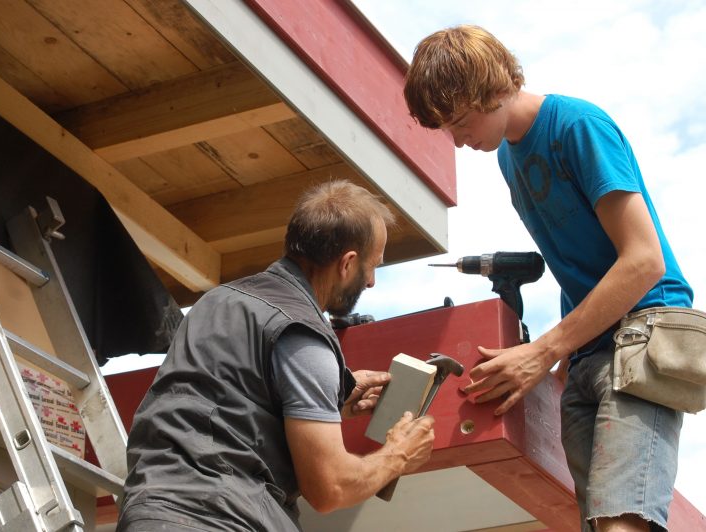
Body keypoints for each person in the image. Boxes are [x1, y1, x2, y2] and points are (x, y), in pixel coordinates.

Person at [403, 25, 693, 532]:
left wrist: (543, 351)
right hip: (586, 354)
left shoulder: (578, 127)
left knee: (623, 522)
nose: (457, 139)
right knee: (599, 523)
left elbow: (644, 260)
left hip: (643, 337)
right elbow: (575, 258)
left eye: (460, 121)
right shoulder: (510, 160)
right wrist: (564, 356)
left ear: (493, 90)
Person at [117, 180, 436, 531]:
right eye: (372, 265)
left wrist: (332, 397)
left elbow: (221, 403)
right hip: (222, 519)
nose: (372, 281)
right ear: (347, 264)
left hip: (151, 513)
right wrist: (398, 455)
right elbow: (330, 487)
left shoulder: (217, 301)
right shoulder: (304, 334)